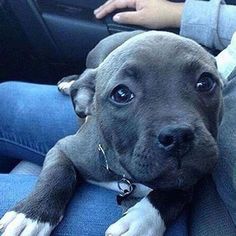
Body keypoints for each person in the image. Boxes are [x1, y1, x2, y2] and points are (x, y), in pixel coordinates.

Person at [0, 0, 236, 235]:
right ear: (87, 102)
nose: (176, 131)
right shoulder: (90, 139)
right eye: (123, 94)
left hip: (211, 209)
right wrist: (46, 200)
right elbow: (64, 152)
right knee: (5, 96)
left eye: (203, 84)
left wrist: (160, 209)